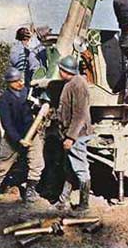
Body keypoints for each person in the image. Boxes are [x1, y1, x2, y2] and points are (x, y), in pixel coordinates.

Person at [0, 67, 45, 206]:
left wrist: (39, 106)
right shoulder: (4, 99)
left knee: (37, 163)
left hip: (31, 133)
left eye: (21, 80)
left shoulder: (26, 93)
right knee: (2, 166)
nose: (20, 83)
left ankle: (30, 192)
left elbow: (35, 109)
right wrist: (18, 139)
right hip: (13, 137)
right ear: (9, 83)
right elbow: (7, 123)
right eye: (16, 81)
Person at [54, 55, 93, 211]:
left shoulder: (78, 84)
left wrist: (71, 137)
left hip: (78, 135)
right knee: (70, 167)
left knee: (81, 169)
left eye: (60, 69)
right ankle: (63, 201)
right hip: (73, 134)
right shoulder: (71, 83)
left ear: (64, 70)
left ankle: (84, 206)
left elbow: (79, 115)